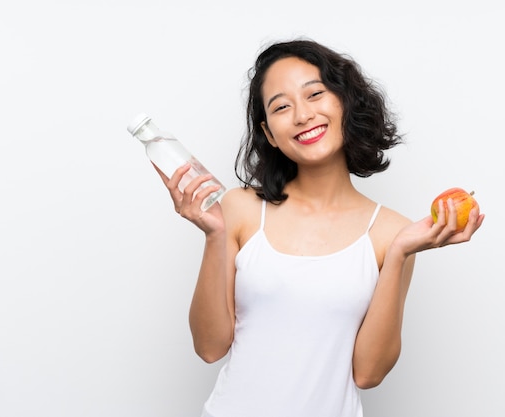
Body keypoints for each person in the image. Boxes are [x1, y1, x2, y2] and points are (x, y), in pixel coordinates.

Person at [154, 39, 485, 417]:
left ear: (345, 102)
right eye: (281, 106)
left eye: (315, 94)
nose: (302, 115)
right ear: (270, 133)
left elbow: (368, 374)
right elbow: (210, 347)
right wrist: (214, 236)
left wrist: (399, 254)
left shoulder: (393, 232)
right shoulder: (241, 208)